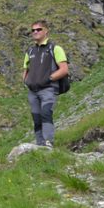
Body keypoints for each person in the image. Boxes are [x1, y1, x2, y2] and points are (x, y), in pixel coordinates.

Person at [22, 20, 68, 148]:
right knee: (36, 118)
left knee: (46, 113)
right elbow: (25, 69)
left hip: (48, 89)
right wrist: (26, 81)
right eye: (33, 30)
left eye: (39, 29)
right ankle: (39, 143)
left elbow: (64, 69)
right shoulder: (30, 51)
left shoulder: (55, 48)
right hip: (33, 91)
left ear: (46, 31)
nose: (35, 32)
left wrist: (49, 79)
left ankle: (48, 143)